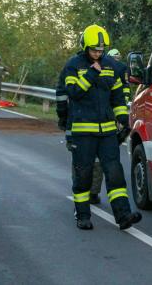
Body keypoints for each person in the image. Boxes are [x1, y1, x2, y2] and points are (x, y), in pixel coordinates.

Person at [63, 24, 141, 230]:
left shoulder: (110, 66)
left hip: (107, 132)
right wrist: (90, 74)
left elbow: (117, 97)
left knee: (114, 172)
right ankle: (82, 216)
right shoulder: (74, 65)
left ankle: (123, 215)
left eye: (100, 50)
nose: (98, 54)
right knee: (84, 174)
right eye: (94, 50)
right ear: (85, 46)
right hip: (83, 132)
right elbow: (73, 92)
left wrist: (123, 119)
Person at [56, 65, 104, 205]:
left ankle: (82, 192)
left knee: (79, 158)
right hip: (100, 122)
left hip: (76, 120)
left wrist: (63, 117)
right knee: (96, 158)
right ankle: (93, 193)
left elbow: (61, 95)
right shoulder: (106, 65)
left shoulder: (71, 66)